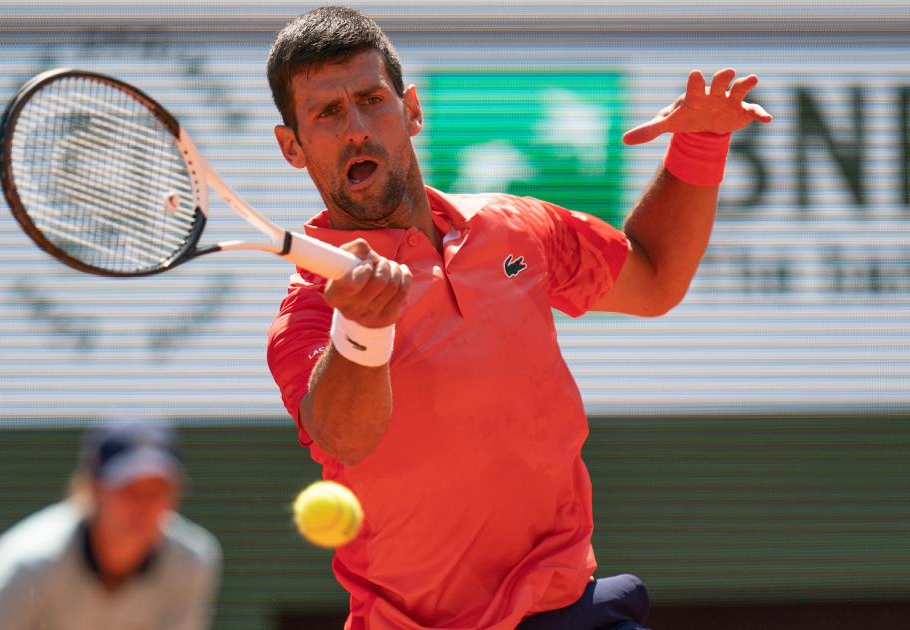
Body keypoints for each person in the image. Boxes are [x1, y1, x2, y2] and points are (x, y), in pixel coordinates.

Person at [265, 6, 770, 629]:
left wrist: (700, 143)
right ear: (292, 146)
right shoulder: (312, 309)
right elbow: (344, 437)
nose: (357, 128)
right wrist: (362, 330)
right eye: (327, 113)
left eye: (372, 99)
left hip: (563, 607)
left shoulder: (516, 228)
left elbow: (655, 277)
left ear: (412, 109)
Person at [0, 421, 222, 630]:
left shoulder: (193, 562)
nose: (144, 506)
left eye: (157, 491)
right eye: (129, 489)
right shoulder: (27, 563)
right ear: (92, 489)